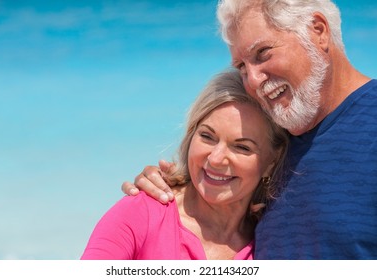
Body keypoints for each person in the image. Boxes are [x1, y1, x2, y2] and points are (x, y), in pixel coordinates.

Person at [121, 0, 377, 259]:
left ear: (318, 31)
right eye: (242, 67)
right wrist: (164, 187)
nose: (252, 81)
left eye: (263, 53)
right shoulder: (273, 138)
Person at [81, 70, 288, 260]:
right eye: (207, 136)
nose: (215, 158)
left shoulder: (274, 241)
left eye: (242, 147)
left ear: (272, 161)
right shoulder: (141, 212)